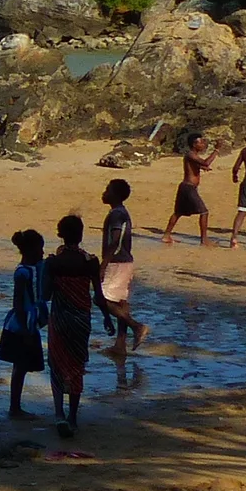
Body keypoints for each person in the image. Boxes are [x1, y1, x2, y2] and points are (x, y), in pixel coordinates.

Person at [44, 215, 102, 434]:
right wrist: (107, 318)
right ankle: (73, 416)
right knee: (77, 365)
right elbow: (100, 296)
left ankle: (59, 414)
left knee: (57, 364)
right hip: (81, 320)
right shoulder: (90, 261)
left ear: (60, 234)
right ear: (81, 235)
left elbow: (46, 294)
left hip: (59, 319)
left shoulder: (53, 263)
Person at [0, 228, 47, 418]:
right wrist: (26, 330)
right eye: (40, 250)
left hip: (26, 323)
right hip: (22, 326)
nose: (42, 253)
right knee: (20, 366)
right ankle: (15, 407)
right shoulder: (23, 273)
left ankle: (15, 406)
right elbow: (18, 303)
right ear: (31, 251)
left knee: (21, 366)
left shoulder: (30, 269)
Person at [98, 178, 147, 349]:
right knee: (120, 302)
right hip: (124, 261)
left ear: (116, 195)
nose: (104, 192)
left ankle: (136, 326)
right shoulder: (120, 212)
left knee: (101, 299)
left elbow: (116, 241)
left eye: (108, 189)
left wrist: (104, 264)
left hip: (117, 262)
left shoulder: (117, 214)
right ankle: (120, 345)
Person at [161, 132, 219, 245]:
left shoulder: (192, 156)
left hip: (186, 188)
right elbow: (206, 162)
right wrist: (216, 151)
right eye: (200, 142)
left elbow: (196, 165)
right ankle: (204, 240)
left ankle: (166, 236)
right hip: (188, 188)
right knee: (204, 212)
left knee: (178, 213)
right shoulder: (190, 154)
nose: (203, 144)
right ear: (194, 144)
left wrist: (202, 167)